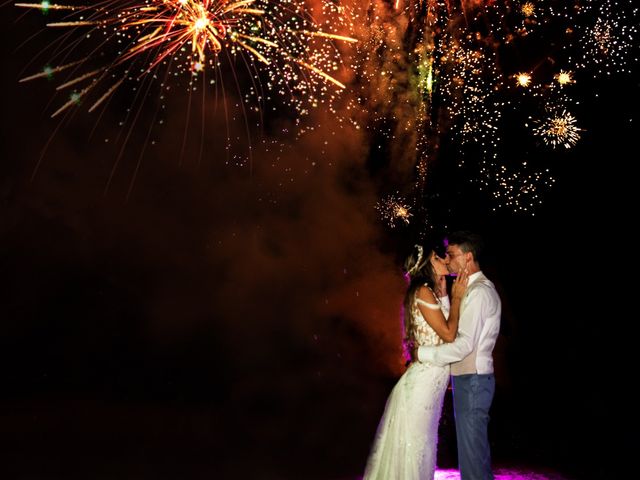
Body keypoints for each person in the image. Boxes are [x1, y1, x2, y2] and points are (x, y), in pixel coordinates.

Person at [363, 241, 468, 479]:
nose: (444, 260)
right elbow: (449, 334)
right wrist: (458, 297)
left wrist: (444, 288)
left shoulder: (429, 291)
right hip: (422, 384)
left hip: (432, 381)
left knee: (423, 446)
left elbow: (444, 329)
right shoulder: (422, 291)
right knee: (415, 447)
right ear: (426, 266)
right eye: (437, 258)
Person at [416, 231, 501, 480]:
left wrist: (422, 353)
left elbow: (463, 345)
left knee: (473, 456)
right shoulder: (469, 290)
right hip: (469, 379)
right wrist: (446, 295)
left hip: (473, 379)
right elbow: (451, 330)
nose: (448, 260)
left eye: (452, 255)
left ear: (468, 257)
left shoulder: (479, 293)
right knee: (471, 453)